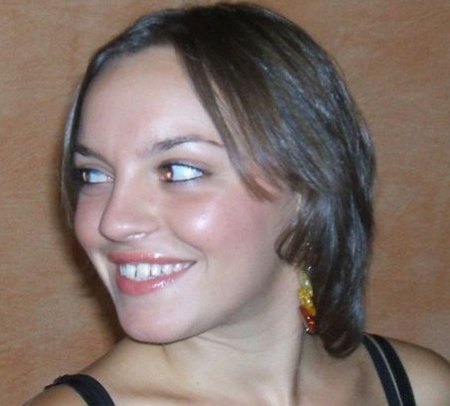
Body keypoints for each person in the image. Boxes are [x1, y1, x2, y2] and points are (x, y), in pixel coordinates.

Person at [25, 2, 450, 405]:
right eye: (93, 175)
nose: (113, 222)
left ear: (309, 189)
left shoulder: (422, 389)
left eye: (177, 170)